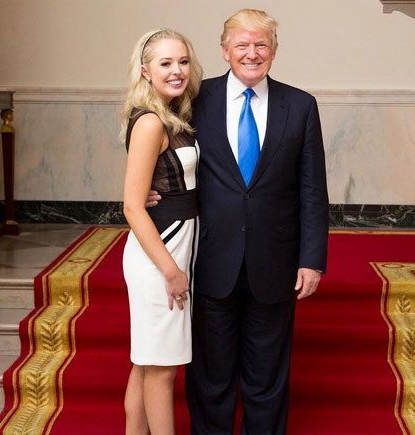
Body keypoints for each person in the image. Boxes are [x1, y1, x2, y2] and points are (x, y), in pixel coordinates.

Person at [149, 9, 329, 434]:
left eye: (261, 44)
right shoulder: (196, 100)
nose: (252, 53)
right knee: (211, 377)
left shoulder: (300, 106)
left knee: (267, 379)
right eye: (242, 45)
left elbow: (313, 189)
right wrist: (148, 189)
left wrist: (312, 260)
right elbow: (156, 139)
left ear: (274, 51)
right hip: (210, 258)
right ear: (225, 51)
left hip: (276, 261)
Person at [120, 28, 202, 435]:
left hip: (173, 245)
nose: (177, 70)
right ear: (145, 70)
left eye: (183, 61)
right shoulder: (151, 122)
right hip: (160, 256)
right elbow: (132, 206)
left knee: (146, 364)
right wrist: (171, 271)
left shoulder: (173, 114)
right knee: (162, 370)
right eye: (165, 63)